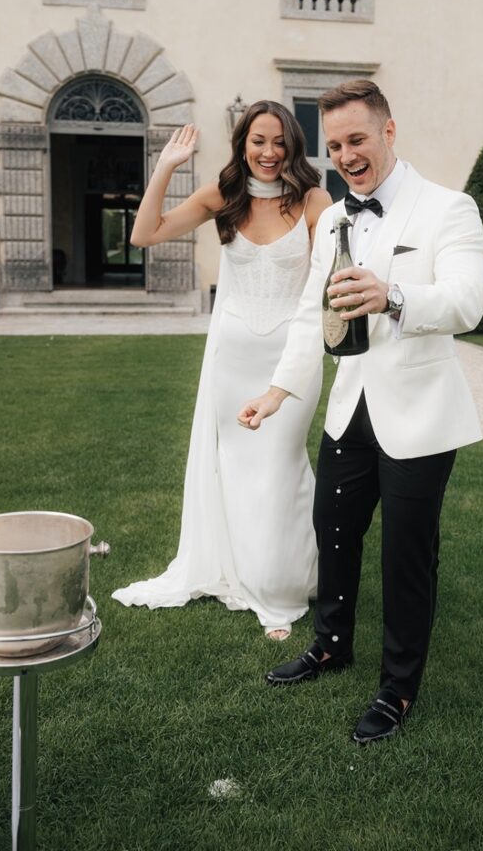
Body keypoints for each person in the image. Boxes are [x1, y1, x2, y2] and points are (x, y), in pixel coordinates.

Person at [238, 80, 483, 741]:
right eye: (335, 145)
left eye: (356, 139)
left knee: (407, 555)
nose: (346, 154)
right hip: (349, 410)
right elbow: (307, 315)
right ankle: (330, 643)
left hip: (422, 414)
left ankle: (396, 690)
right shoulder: (333, 219)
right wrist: (278, 391)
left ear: (388, 132)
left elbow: (469, 300)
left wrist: (394, 296)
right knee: (335, 532)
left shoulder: (448, 208)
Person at [112, 102, 332, 640]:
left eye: (279, 142)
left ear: (293, 146)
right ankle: (239, 569)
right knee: (235, 468)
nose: (269, 152)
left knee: (280, 466)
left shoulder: (313, 200)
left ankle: (281, 585)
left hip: (289, 359)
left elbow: (333, 273)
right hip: (232, 357)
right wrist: (166, 164)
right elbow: (146, 234)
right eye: (258, 140)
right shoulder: (224, 194)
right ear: (242, 143)